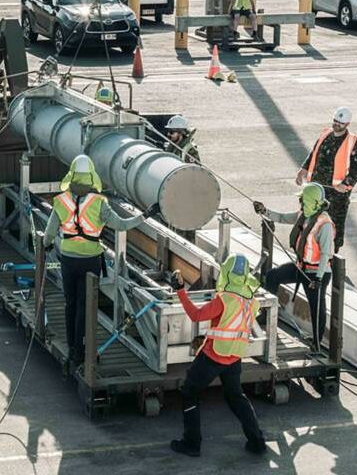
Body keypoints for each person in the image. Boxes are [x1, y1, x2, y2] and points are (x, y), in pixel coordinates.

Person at [44, 154, 159, 366]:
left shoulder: (61, 201)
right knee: (85, 307)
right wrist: (146, 214)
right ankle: (83, 350)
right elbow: (122, 225)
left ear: (71, 175)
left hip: (68, 259)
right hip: (90, 261)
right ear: (91, 177)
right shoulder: (99, 203)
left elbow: (49, 234)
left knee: (70, 304)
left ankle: (73, 349)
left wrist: (47, 245)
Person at [169, 254, 267, 457]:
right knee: (236, 397)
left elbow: (196, 315)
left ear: (226, 273)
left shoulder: (224, 300)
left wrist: (180, 291)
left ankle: (192, 443)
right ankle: (257, 441)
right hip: (234, 357)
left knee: (189, 392)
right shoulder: (251, 301)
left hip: (213, 356)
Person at [254, 183, 334, 350]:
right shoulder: (303, 215)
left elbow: (326, 254)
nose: (300, 203)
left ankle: (316, 343)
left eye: (302, 200)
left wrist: (318, 279)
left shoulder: (324, 225)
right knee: (272, 276)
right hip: (301, 267)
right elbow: (283, 218)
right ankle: (266, 316)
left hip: (316, 273)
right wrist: (264, 211)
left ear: (311, 202)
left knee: (316, 308)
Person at [296, 106, 357, 251]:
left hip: (336, 196)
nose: (336, 124)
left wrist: (345, 185)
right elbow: (314, 153)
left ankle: (333, 258)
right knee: (310, 222)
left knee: (333, 228)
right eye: (335, 120)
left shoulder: (353, 142)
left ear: (347, 124)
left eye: (340, 122)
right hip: (315, 191)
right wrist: (303, 169)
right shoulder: (325, 133)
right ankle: (308, 252)